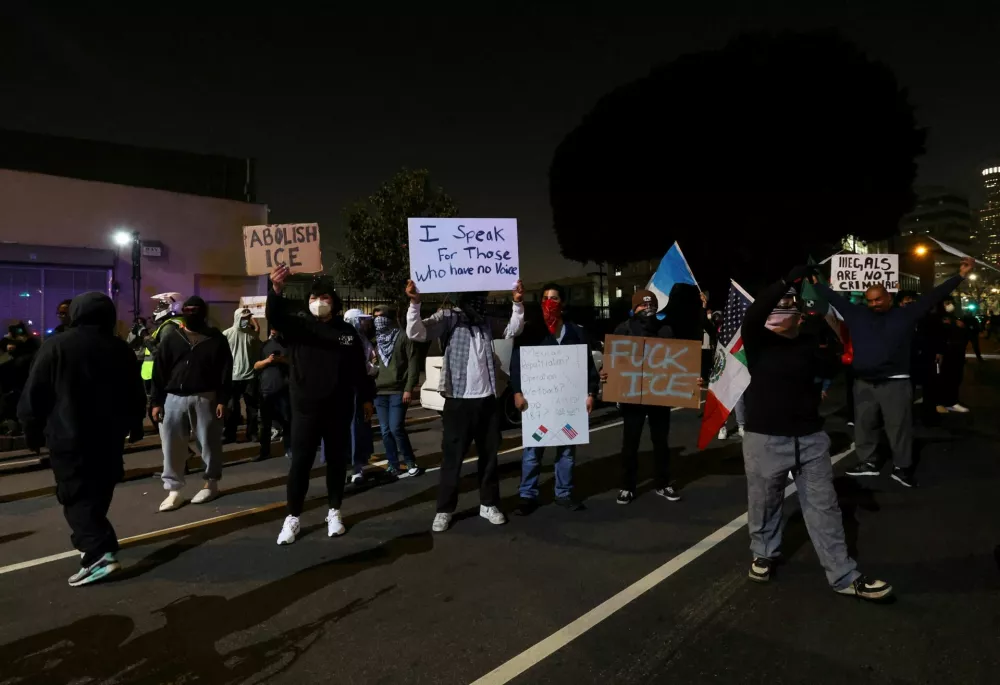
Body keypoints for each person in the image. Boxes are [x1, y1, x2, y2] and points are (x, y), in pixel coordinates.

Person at [740, 266, 891, 600]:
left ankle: (844, 575)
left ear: (799, 314)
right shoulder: (758, 342)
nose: (779, 309)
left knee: (825, 507)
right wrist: (783, 280)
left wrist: (828, 318)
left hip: (810, 438)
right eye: (775, 304)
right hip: (765, 439)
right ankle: (763, 552)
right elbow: (754, 314)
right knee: (764, 502)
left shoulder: (811, 342)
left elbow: (836, 359)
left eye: (788, 304)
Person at [18, 293, 146, 586]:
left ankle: (99, 553)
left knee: (75, 496)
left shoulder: (57, 346)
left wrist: (31, 429)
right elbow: (134, 391)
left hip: (69, 436)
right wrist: (136, 423)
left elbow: (35, 392)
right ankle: (96, 546)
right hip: (110, 437)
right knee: (99, 493)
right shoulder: (120, 349)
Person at [818, 257, 973, 488]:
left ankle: (902, 467)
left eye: (879, 299)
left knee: (898, 427)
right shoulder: (856, 314)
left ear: (889, 297)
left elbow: (934, 296)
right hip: (863, 384)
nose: (874, 304)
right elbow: (832, 298)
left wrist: (959, 276)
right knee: (863, 425)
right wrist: (815, 283)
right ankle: (868, 462)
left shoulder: (905, 314)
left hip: (895, 383)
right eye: (870, 301)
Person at [405, 280, 525, 532]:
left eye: (482, 297)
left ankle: (488, 504)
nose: (479, 303)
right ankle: (444, 509)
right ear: (463, 299)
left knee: (490, 456)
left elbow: (513, 329)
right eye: (475, 298)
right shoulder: (449, 318)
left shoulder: (485, 321)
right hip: (458, 401)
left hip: (487, 400)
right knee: (452, 458)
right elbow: (416, 332)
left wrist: (517, 303)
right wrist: (415, 303)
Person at [268, 266, 375, 545]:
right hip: (304, 409)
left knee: (337, 462)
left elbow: (358, 370)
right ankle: (292, 518)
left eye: (325, 296)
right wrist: (276, 290)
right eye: (314, 297)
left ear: (334, 302)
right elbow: (274, 315)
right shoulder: (298, 327)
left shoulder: (347, 333)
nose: (319, 302)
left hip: (339, 409)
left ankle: (334, 511)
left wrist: (366, 399)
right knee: (300, 464)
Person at [601, 284, 702, 505]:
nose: (648, 309)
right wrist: (607, 375)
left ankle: (663, 483)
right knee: (630, 443)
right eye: (643, 305)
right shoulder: (623, 330)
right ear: (634, 308)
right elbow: (614, 360)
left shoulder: (665, 330)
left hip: (659, 394)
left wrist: (691, 379)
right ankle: (627, 486)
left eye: (651, 305)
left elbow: (678, 362)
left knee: (661, 442)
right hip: (632, 396)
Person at [510, 283, 597, 515]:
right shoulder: (531, 331)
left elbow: (587, 366)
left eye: (555, 298)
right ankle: (527, 494)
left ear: (563, 302)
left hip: (567, 406)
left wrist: (590, 393)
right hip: (538, 406)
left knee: (567, 450)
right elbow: (517, 362)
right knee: (533, 450)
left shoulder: (576, 332)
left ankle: (564, 493)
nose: (550, 302)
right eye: (546, 298)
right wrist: (517, 392)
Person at [151, 296, 233, 512]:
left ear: (203, 312)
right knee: (171, 446)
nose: (191, 312)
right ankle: (174, 490)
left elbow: (226, 372)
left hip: (206, 397)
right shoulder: (173, 338)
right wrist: (156, 402)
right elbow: (159, 371)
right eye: (187, 309)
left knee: (209, 443)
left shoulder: (216, 338)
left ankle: (210, 483)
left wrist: (223, 400)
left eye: (195, 309)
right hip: (173, 398)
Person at [371, 304, 424, 478]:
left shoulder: (403, 337)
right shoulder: (375, 342)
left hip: (398, 391)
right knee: (385, 431)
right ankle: (393, 464)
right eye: (375, 317)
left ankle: (410, 462)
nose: (378, 321)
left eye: (381, 317)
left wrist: (409, 388)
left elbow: (413, 364)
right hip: (379, 393)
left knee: (396, 428)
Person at [344, 309, 378, 485]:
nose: (365, 324)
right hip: (343, 392)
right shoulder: (342, 339)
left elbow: (372, 362)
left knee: (358, 430)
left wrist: (371, 368)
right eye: (361, 320)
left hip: (359, 391)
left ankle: (357, 467)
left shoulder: (364, 341)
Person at [223, 308, 261, 443]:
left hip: (250, 377)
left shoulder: (252, 335)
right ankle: (230, 434)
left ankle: (252, 433)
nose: (246, 320)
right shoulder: (227, 334)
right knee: (232, 408)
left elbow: (257, 354)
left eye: (248, 318)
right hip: (232, 377)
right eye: (244, 318)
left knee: (252, 408)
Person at [253, 327, 292, 461]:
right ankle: (264, 452)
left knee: (287, 421)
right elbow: (256, 365)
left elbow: (295, 363)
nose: (274, 332)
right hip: (266, 389)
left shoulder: (288, 345)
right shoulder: (264, 345)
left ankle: (289, 449)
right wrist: (267, 361)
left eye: (277, 329)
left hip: (284, 389)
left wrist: (282, 360)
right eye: (273, 329)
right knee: (265, 423)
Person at [931, 298, 971, 414]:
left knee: (955, 378)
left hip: (956, 354)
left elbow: (964, 334)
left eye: (951, 303)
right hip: (944, 354)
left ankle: (951, 402)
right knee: (942, 378)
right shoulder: (937, 318)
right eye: (947, 303)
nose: (950, 306)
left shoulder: (954, 318)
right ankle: (940, 402)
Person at [139, 293, 184, 389]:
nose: (158, 308)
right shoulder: (173, 323)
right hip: (154, 374)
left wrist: (146, 338)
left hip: (155, 374)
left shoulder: (169, 327)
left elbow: (162, 353)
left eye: (162, 305)